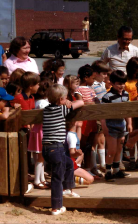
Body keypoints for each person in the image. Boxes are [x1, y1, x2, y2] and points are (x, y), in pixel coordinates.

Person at [42, 84, 84, 215]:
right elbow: (81, 102)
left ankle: (67, 188)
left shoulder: (46, 110)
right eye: (66, 98)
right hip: (57, 148)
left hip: (47, 148)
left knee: (69, 163)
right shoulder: (61, 110)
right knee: (56, 177)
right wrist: (71, 102)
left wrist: (67, 102)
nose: (67, 100)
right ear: (60, 100)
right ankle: (56, 207)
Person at [101, 70, 132, 181]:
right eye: (118, 83)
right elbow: (102, 114)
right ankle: (108, 172)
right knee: (112, 150)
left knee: (119, 149)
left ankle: (117, 169)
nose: (121, 86)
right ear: (112, 83)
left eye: (123, 83)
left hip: (121, 125)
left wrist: (129, 123)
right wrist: (104, 127)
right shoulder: (107, 97)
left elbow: (127, 111)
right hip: (111, 126)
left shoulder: (126, 94)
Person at [74, 65, 102, 178]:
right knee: (82, 144)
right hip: (84, 120)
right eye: (92, 78)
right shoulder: (78, 90)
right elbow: (81, 104)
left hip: (92, 120)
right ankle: (79, 167)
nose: (93, 81)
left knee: (90, 145)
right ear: (86, 78)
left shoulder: (91, 90)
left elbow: (96, 103)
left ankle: (89, 168)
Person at [28, 78, 53, 189]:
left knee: (40, 157)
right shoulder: (43, 102)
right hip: (41, 130)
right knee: (40, 157)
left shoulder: (40, 101)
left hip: (39, 130)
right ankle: (37, 180)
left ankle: (41, 178)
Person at [124, 57, 138, 171]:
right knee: (131, 134)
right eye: (136, 71)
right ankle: (132, 159)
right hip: (130, 112)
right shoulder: (126, 82)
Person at [91, 60, 110, 172]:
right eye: (103, 74)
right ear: (96, 73)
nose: (106, 76)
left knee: (102, 140)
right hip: (95, 115)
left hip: (102, 115)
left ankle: (102, 164)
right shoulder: (93, 85)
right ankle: (93, 166)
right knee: (95, 141)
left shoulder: (102, 84)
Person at [66, 121, 94, 187]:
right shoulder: (70, 135)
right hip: (69, 164)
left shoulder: (71, 134)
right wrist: (78, 154)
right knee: (90, 179)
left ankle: (67, 178)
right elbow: (72, 154)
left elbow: (77, 140)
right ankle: (66, 180)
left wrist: (79, 127)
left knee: (90, 178)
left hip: (72, 162)